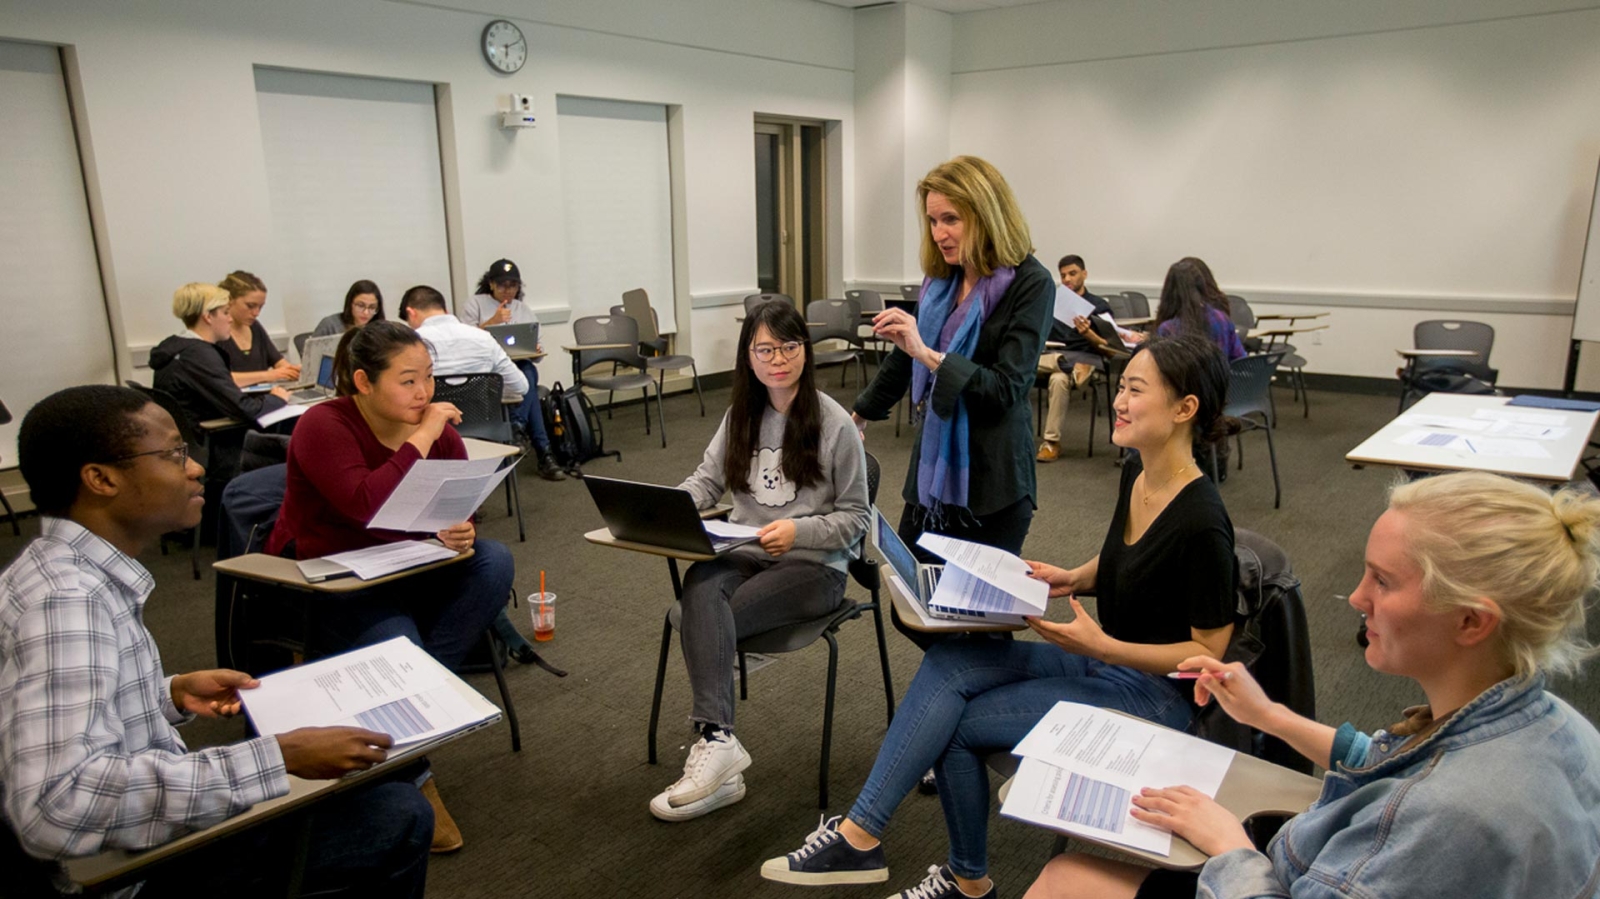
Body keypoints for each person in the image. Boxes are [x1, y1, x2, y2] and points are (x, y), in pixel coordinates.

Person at [763, 334, 1239, 899]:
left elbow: (1209, 653)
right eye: (1124, 386)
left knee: (957, 728)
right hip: (1107, 665)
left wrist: (1104, 649)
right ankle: (862, 836)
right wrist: (1075, 576)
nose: (1120, 400)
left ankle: (966, 879)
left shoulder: (1204, 519)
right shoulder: (1137, 475)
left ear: (1184, 410)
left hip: (1154, 695)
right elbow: (1132, 554)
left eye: (1136, 390)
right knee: (951, 660)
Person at [1024, 469, 1600, 899]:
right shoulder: (1556, 726)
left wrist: (1231, 846)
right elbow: (1386, 757)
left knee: (1063, 878)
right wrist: (1268, 716)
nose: (1355, 599)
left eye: (1382, 580)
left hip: (1277, 879)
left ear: (1472, 620)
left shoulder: (1443, 816)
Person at [0, 385, 431, 898]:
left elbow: (50, 714)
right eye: (173, 454)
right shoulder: (69, 603)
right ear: (100, 478)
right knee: (395, 816)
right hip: (129, 873)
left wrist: (167, 693)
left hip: (127, 836)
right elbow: (57, 805)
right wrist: (277, 758)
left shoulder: (53, 572)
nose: (196, 468)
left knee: (379, 789)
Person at [265, 320, 513, 852]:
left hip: (409, 563)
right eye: (407, 380)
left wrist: (459, 529)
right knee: (398, 635)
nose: (425, 393)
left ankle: (410, 690)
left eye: (428, 377)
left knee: (492, 559)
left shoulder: (435, 427)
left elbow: (452, 501)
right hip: (336, 575)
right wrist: (423, 435)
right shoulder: (323, 424)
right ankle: (412, 763)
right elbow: (366, 502)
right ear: (362, 381)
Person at [653, 299, 870, 823]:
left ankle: (715, 745)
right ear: (748, 357)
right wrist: (665, 509)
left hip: (815, 566)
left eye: (788, 346)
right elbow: (707, 482)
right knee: (701, 581)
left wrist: (799, 529)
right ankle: (721, 743)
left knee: (696, 618)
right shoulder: (741, 416)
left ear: (805, 351)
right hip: (747, 550)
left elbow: (858, 518)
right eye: (764, 348)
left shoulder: (834, 422)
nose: (777, 358)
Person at [850, 155, 1053, 588]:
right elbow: (904, 357)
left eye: (951, 220)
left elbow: (1006, 388)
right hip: (932, 474)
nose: (939, 233)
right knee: (912, 597)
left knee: (975, 620)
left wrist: (929, 354)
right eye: (932, 221)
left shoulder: (1030, 283)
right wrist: (859, 416)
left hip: (992, 480)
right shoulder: (942, 281)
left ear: (986, 215)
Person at [398, 284, 564, 481]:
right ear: (446, 310)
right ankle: (541, 450)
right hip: (486, 425)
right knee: (530, 373)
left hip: (434, 430)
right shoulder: (483, 338)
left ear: (411, 313)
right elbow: (522, 387)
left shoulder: (410, 344)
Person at [459, 259, 567, 473]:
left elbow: (538, 352)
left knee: (529, 370)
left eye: (513, 286)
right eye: (502, 285)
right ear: (491, 284)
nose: (508, 291)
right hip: (487, 372)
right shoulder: (475, 304)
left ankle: (518, 428)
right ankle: (543, 453)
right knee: (531, 387)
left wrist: (535, 348)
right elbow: (466, 343)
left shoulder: (522, 309)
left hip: (518, 368)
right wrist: (492, 322)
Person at [150, 282, 290, 427]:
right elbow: (244, 409)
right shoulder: (199, 356)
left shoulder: (177, 348)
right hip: (213, 440)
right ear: (208, 317)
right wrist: (276, 399)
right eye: (225, 312)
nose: (230, 319)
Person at [1036, 254, 1113, 463]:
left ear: (1084, 274)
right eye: (1063, 275)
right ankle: (1063, 363)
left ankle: (1051, 443)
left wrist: (1088, 333)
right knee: (1057, 371)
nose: (1067, 279)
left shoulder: (1099, 306)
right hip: (1055, 358)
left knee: (1059, 379)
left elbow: (1111, 350)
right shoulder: (1053, 303)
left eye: (1072, 273)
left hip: (1086, 357)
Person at [217, 270, 301, 387]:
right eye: (250, 306)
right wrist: (269, 375)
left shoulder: (255, 327)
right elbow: (219, 379)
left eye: (260, 307)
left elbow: (278, 362)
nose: (256, 313)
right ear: (230, 300)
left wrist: (292, 370)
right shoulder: (216, 333)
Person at [1153, 259, 1246, 362]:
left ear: (1168, 291)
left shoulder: (1168, 329)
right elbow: (1241, 361)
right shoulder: (1223, 319)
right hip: (1221, 377)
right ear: (1201, 286)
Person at [313, 279, 386, 337]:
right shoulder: (330, 325)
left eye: (372, 307)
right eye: (360, 306)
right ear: (350, 304)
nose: (366, 312)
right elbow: (312, 354)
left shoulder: (380, 329)